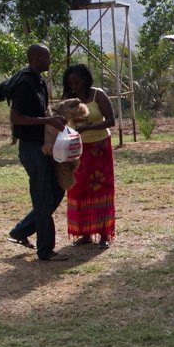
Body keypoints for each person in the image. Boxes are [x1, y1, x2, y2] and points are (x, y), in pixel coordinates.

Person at [7, 43, 68, 261]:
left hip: (42, 146)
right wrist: (47, 120)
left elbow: (43, 111)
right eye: (46, 57)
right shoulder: (25, 83)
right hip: (31, 147)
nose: (49, 61)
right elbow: (15, 117)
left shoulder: (39, 80)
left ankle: (21, 231)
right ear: (35, 58)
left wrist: (55, 118)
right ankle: (46, 250)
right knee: (43, 197)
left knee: (56, 190)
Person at [62, 64, 116, 249]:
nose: (74, 86)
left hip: (99, 148)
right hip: (77, 150)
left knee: (101, 189)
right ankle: (84, 234)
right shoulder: (69, 99)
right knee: (78, 189)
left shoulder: (97, 95)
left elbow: (111, 120)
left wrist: (88, 128)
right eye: (71, 83)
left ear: (86, 79)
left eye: (77, 82)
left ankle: (104, 234)